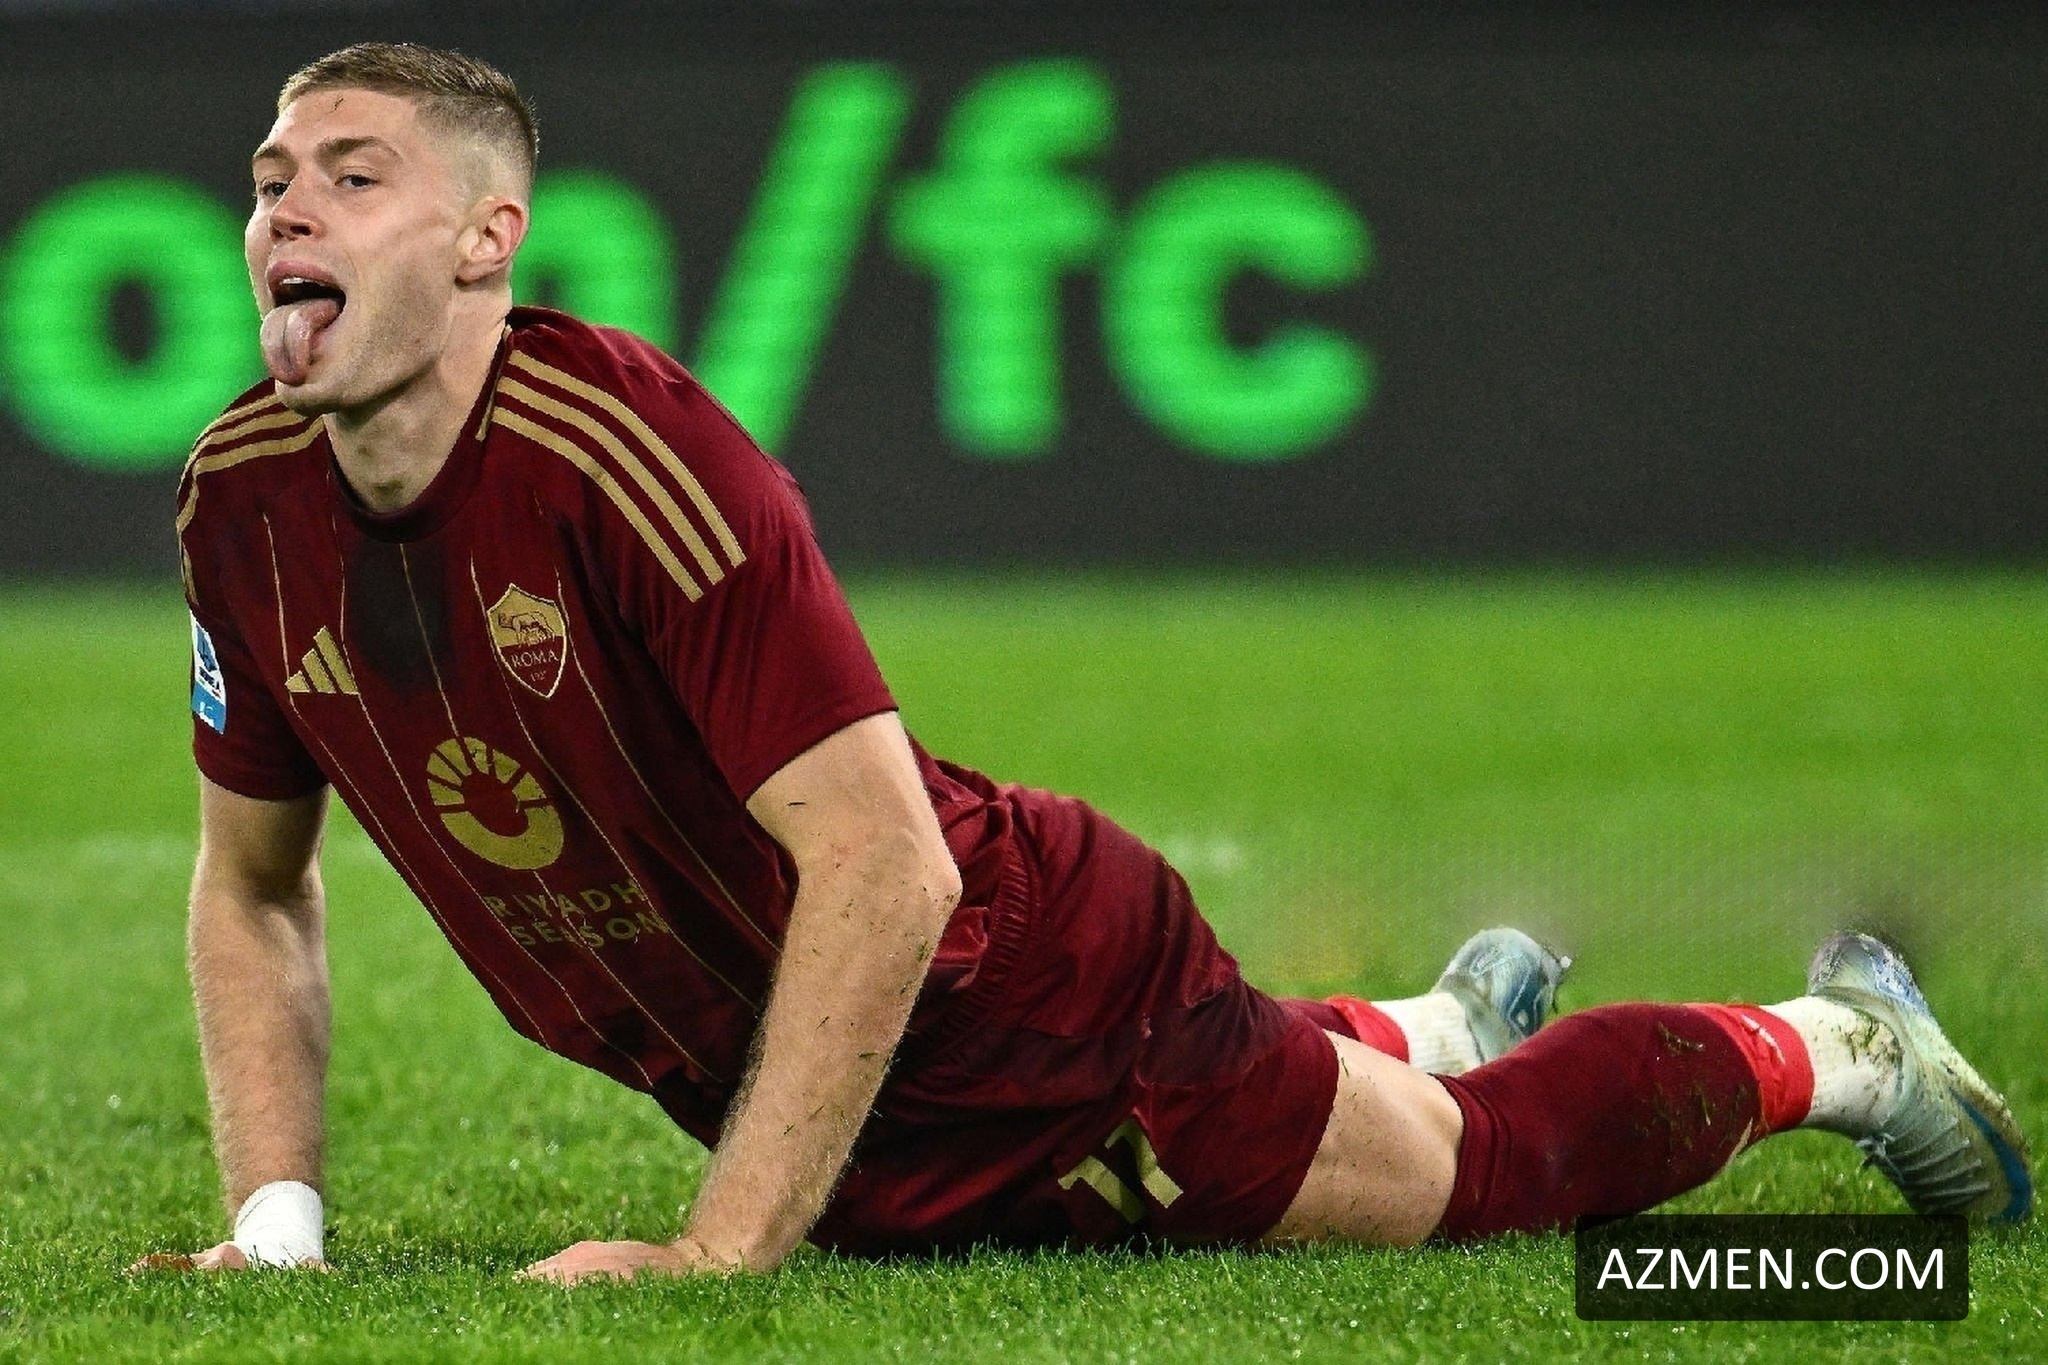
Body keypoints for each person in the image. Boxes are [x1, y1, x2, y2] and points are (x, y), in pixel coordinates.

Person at [142, 43, 2031, 1282]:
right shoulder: (239, 500)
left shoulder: (628, 460)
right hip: (813, 1076)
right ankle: (1435, 1013)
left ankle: (1840, 1050)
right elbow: (255, 886)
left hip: (1022, 999)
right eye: (271, 174)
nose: (285, 207)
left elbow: (885, 867)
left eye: (354, 176)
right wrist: (276, 1229)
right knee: (1324, 1109)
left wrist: (718, 1259)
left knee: (1467, 1175)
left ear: (490, 240)